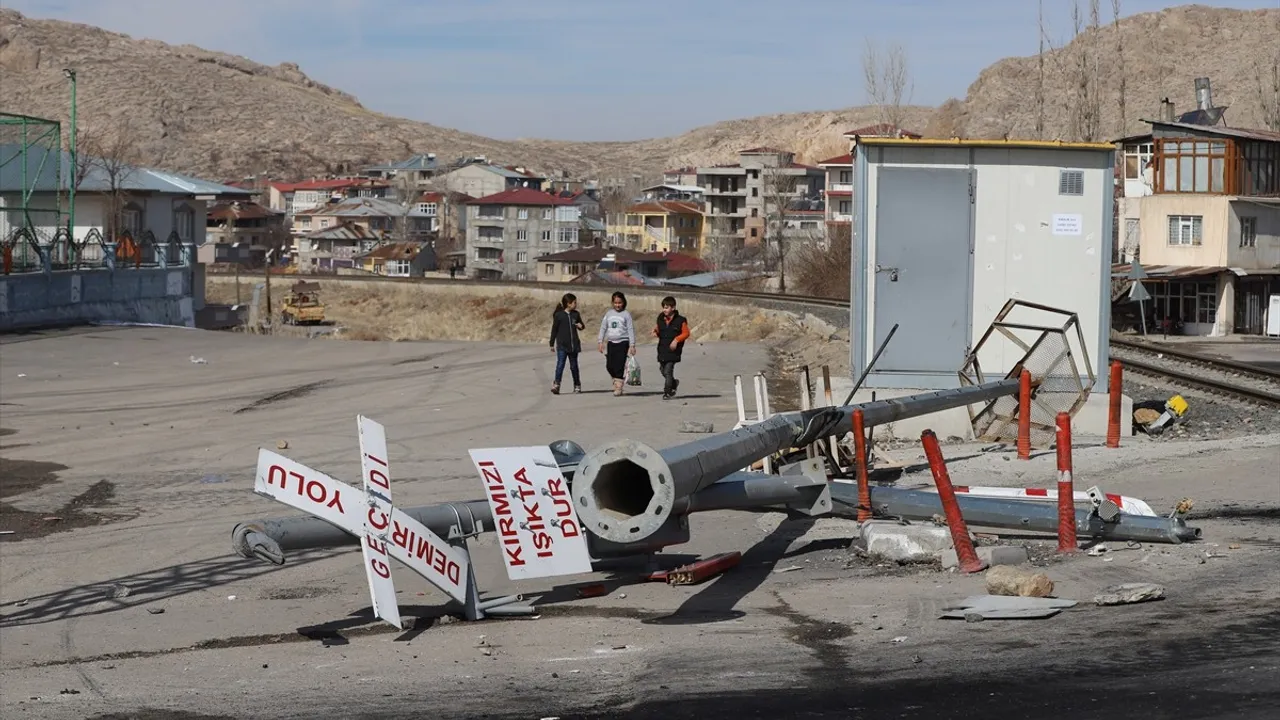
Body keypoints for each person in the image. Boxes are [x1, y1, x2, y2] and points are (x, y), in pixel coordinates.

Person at [597, 291, 636, 396]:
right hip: (611, 342)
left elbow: (630, 329)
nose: (617, 305)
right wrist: (600, 341)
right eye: (615, 303)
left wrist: (632, 345)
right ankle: (616, 380)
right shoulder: (609, 314)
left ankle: (618, 386)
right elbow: (603, 327)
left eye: (620, 303)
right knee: (610, 365)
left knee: (619, 364)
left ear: (623, 302)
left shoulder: (626, 315)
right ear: (612, 303)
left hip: (623, 342)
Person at [652, 295, 691, 399]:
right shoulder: (660, 318)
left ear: (673, 308)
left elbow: (686, 333)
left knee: (668, 371)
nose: (664, 310)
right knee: (662, 370)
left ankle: (668, 392)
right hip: (662, 349)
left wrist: (676, 340)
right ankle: (674, 383)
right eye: (663, 307)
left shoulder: (680, 320)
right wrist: (656, 332)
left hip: (673, 351)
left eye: (666, 307)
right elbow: (659, 329)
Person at [548, 292, 585, 395]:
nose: (575, 304)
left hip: (573, 346)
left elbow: (582, 325)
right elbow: (554, 330)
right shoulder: (559, 315)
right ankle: (556, 385)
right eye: (574, 302)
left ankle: (577, 385)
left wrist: (580, 326)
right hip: (562, 346)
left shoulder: (575, 314)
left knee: (574, 366)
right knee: (560, 365)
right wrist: (551, 343)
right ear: (568, 304)